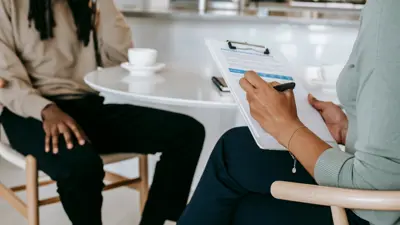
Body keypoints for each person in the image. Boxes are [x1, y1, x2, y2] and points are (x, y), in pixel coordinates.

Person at [178, 0, 400, 225]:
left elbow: (376, 191)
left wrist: (288, 128)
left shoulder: (389, 10)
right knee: (239, 166)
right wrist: (350, 130)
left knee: (236, 151)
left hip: (376, 212)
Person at [0, 0, 205, 225]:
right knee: (81, 167)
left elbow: (119, 57)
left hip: (85, 104)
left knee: (187, 132)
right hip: (27, 111)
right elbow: (6, 78)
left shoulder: (86, 4)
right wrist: (45, 109)